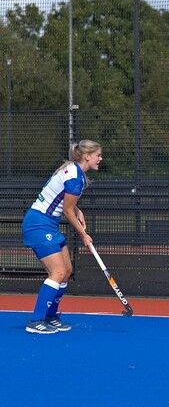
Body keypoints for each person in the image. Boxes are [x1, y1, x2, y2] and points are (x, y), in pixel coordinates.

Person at [22, 140, 103, 334]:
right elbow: (66, 210)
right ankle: (36, 321)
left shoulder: (72, 170)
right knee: (57, 272)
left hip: (48, 224)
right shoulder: (76, 177)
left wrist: (78, 209)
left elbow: (62, 198)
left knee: (67, 270)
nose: (100, 159)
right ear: (87, 156)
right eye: (98, 155)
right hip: (38, 224)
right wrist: (84, 235)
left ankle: (51, 316)